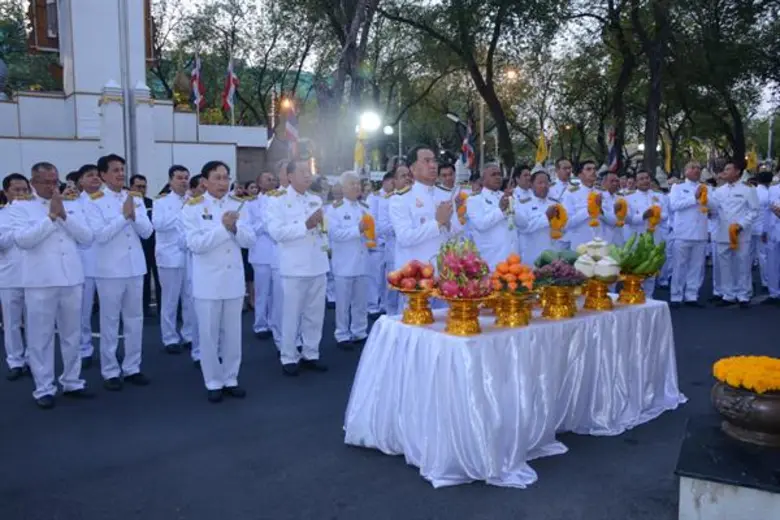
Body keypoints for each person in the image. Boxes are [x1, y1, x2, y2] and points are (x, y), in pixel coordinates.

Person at [8, 162, 94, 408]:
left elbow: (87, 238)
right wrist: (51, 217)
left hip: (71, 278)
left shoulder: (72, 203)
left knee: (72, 334)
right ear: (33, 183)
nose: (51, 186)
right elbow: (24, 240)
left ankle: (72, 380)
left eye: (54, 181)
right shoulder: (21, 206)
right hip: (41, 281)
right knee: (41, 336)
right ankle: (44, 387)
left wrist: (64, 216)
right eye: (45, 182)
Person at [181, 161, 255, 402]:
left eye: (226, 177)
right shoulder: (193, 208)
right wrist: (224, 228)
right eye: (217, 178)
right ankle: (213, 380)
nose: (223, 183)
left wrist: (235, 230)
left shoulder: (238, 205)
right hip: (208, 282)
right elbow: (196, 245)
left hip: (233, 279)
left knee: (233, 333)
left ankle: (231, 377)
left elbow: (249, 240)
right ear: (204, 181)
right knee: (209, 335)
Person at [84, 154, 153, 391]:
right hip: (110, 269)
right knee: (110, 321)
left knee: (135, 320)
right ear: (102, 174)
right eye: (115, 170)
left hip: (134, 267)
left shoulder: (134, 197)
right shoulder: (93, 200)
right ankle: (110, 370)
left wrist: (133, 216)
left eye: (122, 169)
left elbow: (147, 231)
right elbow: (100, 235)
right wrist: (124, 216)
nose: (120, 174)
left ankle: (133, 366)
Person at [266, 160, 330, 376]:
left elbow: (323, 230)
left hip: (317, 263)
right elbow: (277, 232)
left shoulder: (314, 199)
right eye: (302, 172)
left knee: (315, 314)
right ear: (290, 176)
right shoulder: (278, 200)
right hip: (294, 266)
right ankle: (289, 356)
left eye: (309, 172)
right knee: (291, 314)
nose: (307, 176)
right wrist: (305, 225)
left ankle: (311, 352)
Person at [389, 145, 462, 273]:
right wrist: (437, 223)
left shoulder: (445, 195)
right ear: (412, 168)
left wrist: (448, 224)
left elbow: (457, 233)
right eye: (426, 161)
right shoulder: (401, 199)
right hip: (415, 276)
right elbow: (404, 238)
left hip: (443, 273)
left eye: (434, 161)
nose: (433, 165)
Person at [152, 165, 195, 354]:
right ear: (170, 180)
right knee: (170, 300)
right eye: (179, 178)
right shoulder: (161, 202)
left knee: (189, 298)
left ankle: (188, 335)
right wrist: (181, 211)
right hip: (169, 256)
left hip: (190, 255)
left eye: (186, 177)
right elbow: (159, 225)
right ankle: (169, 337)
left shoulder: (194, 200)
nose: (184, 181)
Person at [328, 171, 371, 349]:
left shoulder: (365, 208)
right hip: (344, 263)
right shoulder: (335, 209)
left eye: (358, 183)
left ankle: (360, 331)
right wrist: (357, 230)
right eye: (352, 184)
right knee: (343, 303)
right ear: (343, 188)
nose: (356, 187)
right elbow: (335, 234)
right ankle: (342, 334)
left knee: (360, 301)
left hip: (361, 261)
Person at [710, 161, 759, 307]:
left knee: (742, 264)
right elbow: (714, 210)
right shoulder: (719, 191)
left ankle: (743, 294)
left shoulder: (748, 189)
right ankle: (728, 294)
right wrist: (706, 206)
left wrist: (742, 225)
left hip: (741, 233)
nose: (724, 172)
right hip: (722, 232)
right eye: (724, 169)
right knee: (724, 265)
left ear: (737, 172)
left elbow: (754, 210)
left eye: (727, 169)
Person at [0, 173, 31, 380]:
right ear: (5, 192)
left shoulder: (34, 212)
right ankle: (15, 360)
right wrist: (20, 232)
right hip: (9, 274)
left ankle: (32, 358)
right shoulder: (2, 215)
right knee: (11, 321)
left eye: (24, 190)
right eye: (16, 190)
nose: (21, 194)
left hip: (34, 274)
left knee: (34, 321)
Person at [668, 162, 710, 307]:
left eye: (699, 168)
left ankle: (692, 295)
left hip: (700, 233)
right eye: (693, 168)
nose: (697, 170)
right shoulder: (678, 187)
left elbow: (713, 207)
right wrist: (695, 197)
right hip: (683, 233)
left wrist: (708, 200)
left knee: (697, 267)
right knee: (679, 266)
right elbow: (674, 205)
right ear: (685, 171)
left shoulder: (706, 187)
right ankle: (676, 296)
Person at [74, 164, 102, 368]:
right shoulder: (73, 202)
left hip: (109, 263)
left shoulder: (107, 199)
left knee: (111, 313)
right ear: (80, 181)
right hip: (84, 262)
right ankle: (84, 348)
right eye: (89, 176)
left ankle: (110, 351)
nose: (95, 178)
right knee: (83, 311)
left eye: (96, 175)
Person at [466, 163, 519, 269]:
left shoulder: (507, 196)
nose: (498, 177)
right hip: (492, 259)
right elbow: (481, 224)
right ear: (482, 180)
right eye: (493, 174)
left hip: (513, 256)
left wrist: (513, 204)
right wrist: (500, 210)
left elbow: (520, 222)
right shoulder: (475, 200)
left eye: (499, 174)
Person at [626, 170, 670, 296]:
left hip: (655, 236)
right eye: (641, 179)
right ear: (636, 182)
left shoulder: (659, 196)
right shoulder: (629, 198)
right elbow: (628, 219)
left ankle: (649, 297)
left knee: (651, 268)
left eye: (647, 178)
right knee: (637, 269)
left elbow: (666, 215)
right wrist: (643, 216)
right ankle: (635, 295)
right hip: (637, 237)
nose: (645, 181)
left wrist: (657, 215)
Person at [130, 174, 160, 317]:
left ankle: (160, 308)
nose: (142, 189)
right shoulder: (128, 202)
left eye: (144, 186)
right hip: (138, 246)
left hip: (153, 245)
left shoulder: (151, 203)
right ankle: (143, 307)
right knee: (144, 279)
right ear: (132, 187)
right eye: (138, 186)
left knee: (158, 278)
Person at [365, 172, 394, 317]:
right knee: (374, 277)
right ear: (385, 182)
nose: (393, 185)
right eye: (391, 182)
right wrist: (373, 240)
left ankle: (384, 304)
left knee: (387, 278)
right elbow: (371, 220)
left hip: (389, 244)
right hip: (376, 243)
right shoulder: (374, 197)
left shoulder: (395, 197)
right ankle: (372, 305)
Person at [516, 171, 561, 264]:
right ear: (531, 185)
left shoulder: (555, 203)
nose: (544, 186)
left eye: (546, 183)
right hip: (532, 254)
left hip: (553, 253)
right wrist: (546, 217)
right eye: (540, 183)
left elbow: (563, 227)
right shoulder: (523, 204)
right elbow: (524, 227)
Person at [562, 160, 600, 250]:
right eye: (588, 169)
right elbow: (567, 223)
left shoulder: (601, 192)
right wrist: (589, 210)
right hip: (580, 244)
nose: (593, 171)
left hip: (599, 242)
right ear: (580, 175)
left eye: (594, 169)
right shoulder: (570, 194)